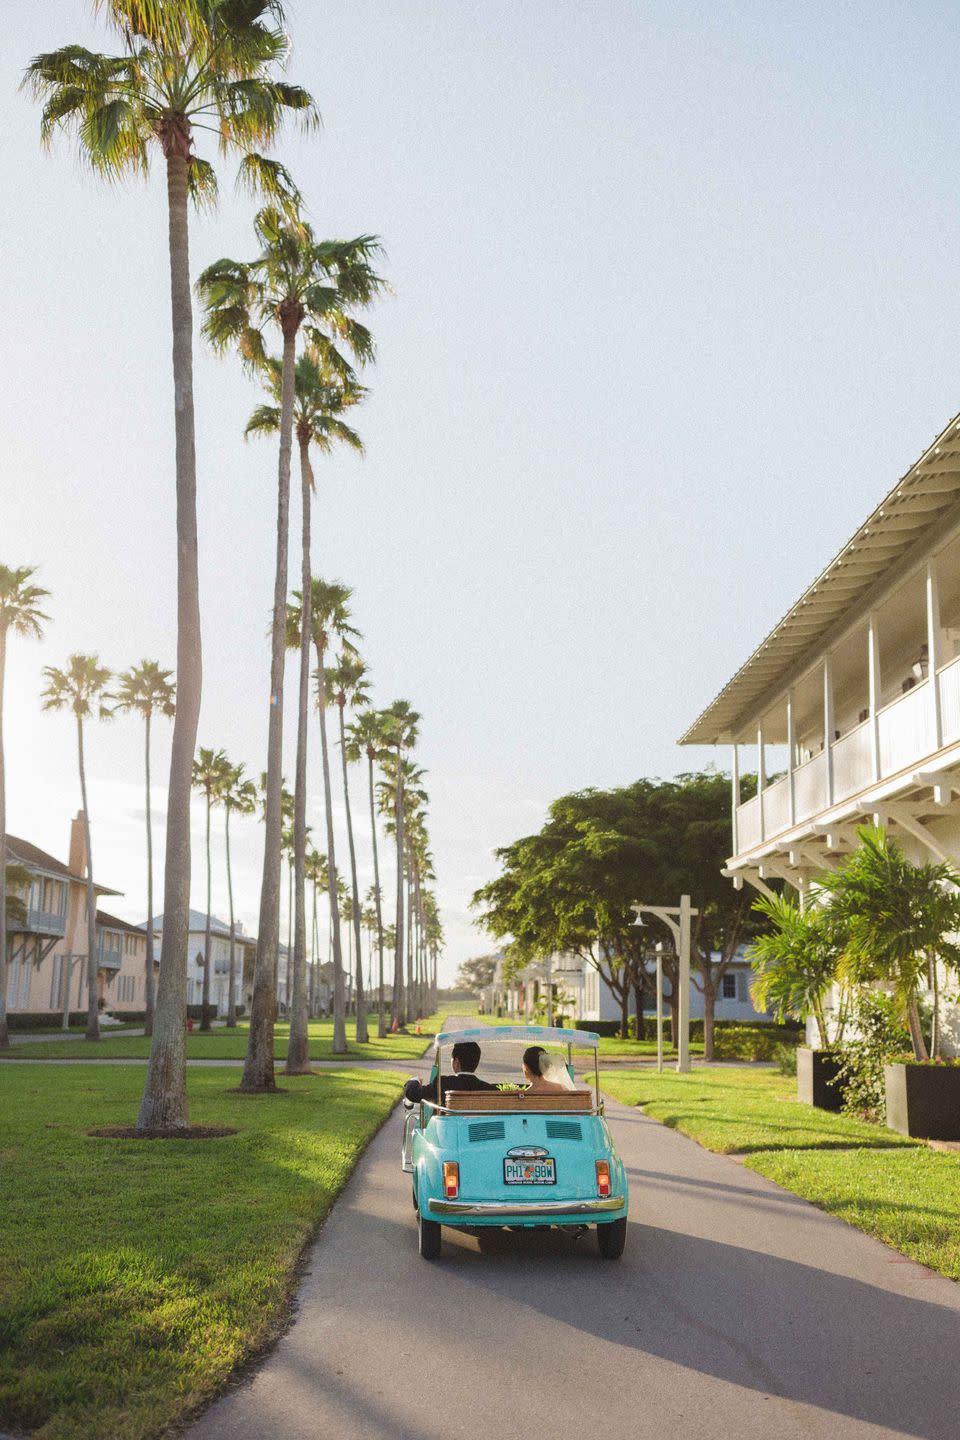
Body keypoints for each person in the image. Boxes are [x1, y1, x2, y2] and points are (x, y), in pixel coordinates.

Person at [403, 1040, 497, 1104]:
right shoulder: (488, 1089)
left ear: (456, 1063)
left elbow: (413, 1094)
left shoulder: (443, 1084)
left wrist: (414, 1081)